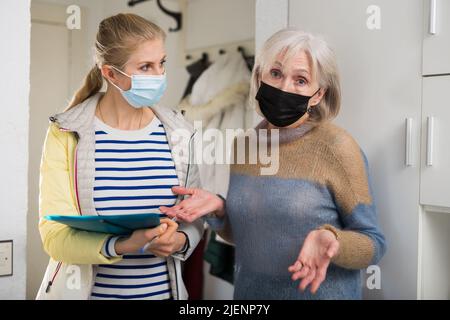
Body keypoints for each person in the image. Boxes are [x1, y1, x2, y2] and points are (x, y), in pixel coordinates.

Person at [160, 28, 387, 300]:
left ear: (317, 95)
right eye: (276, 73)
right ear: (259, 77)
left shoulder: (338, 148)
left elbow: (373, 243)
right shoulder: (244, 145)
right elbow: (251, 236)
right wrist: (220, 210)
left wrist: (333, 242)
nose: (283, 87)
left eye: (301, 80)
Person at [36, 13, 203, 300]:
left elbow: (194, 217)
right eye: (145, 67)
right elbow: (54, 236)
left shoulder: (181, 131)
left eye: (161, 63)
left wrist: (180, 240)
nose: (159, 76)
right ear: (110, 73)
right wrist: (122, 244)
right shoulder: (66, 133)